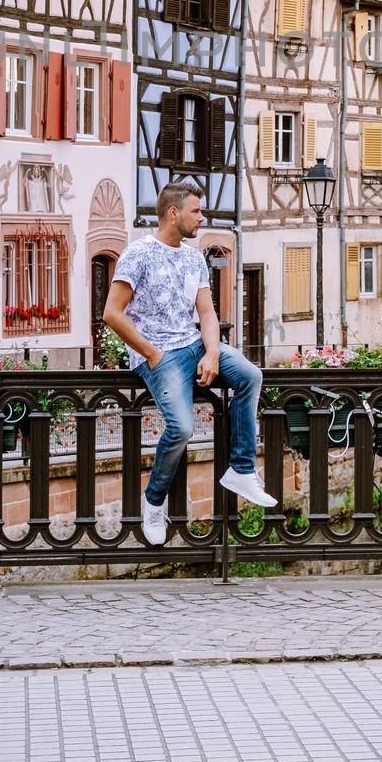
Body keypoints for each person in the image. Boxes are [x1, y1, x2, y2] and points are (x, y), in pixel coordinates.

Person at [103, 181, 276, 546]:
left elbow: (208, 312)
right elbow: (112, 314)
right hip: (161, 353)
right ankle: (153, 501)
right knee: (181, 428)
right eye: (196, 211)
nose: (202, 217)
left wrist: (212, 352)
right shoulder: (138, 254)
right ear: (173, 213)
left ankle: (242, 470)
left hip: (195, 344)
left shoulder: (193, 256)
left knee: (249, 375)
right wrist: (151, 354)